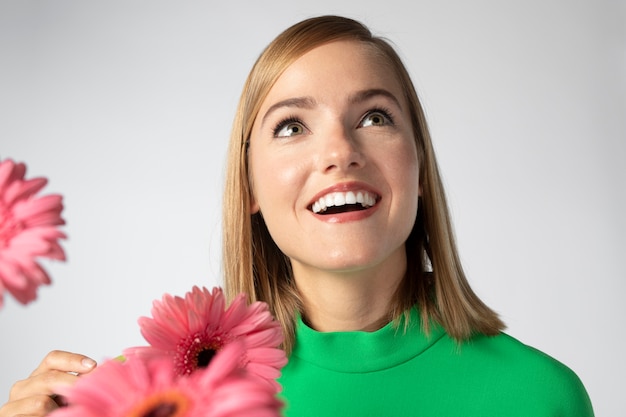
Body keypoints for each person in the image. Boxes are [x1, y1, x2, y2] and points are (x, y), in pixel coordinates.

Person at [0, 15, 593, 417]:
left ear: (419, 165)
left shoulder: (544, 397)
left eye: (375, 117)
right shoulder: (153, 398)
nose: (339, 152)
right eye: (291, 126)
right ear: (251, 186)